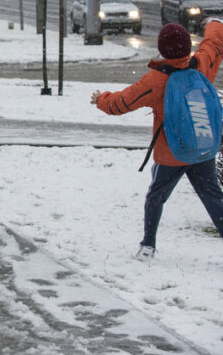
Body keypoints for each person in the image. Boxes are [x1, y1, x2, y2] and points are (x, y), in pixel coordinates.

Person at [92, 20, 223, 260]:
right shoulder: (201, 64)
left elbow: (121, 103)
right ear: (188, 46)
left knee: (156, 197)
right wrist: (214, 23)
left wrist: (101, 99)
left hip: (170, 153)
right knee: (213, 196)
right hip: (203, 147)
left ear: (162, 50)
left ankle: (148, 246)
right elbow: (214, 42)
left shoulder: (155, 81)